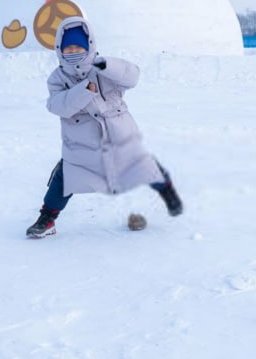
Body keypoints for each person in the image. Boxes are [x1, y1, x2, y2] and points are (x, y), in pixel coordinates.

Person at [26, 15, 184, 238]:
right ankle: (47, 219)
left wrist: (105, 65)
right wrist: (85, 90)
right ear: (60, 49)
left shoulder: (104, 67)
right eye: (68, 48)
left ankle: (167, 190)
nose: (73, 52)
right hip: (80, 142)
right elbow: (57, 106)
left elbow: (132, 77)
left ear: (89, 47)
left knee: (145, 166)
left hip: (118, 135)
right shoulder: (58, 78)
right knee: (64, 178)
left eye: (78, 48)